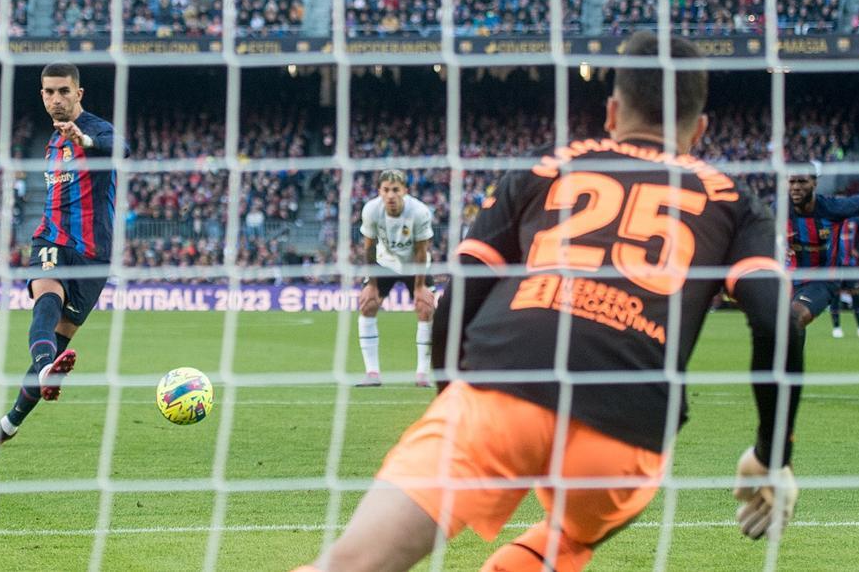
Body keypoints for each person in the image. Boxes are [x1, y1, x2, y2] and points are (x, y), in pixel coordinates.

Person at [298, 33, 804, 572]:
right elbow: (781, 324)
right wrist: (772, 458)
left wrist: (455, 400)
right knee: (572, 536)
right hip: (625, 424)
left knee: (349, 565)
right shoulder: (731, 200)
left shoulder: (546, 169)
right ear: (699, 130)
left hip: (498, 390)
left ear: (611, 113)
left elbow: (463, 289)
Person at [0, 62, 127, 447]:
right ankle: (44, 371)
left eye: (63, 91)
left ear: (78, 94)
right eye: (49, 92)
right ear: (42, 95)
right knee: (46, 297)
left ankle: (7, 427)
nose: (56, 99)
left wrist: (84, 140)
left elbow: (120, 148)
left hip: (93, 256)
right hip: (51, 240)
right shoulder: (52, 143)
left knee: (59, 339)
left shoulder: (96, 129)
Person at [356, 169, 436, 387]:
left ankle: (422, 373)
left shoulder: (419, 212)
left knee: (426, 309)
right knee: (368, 305)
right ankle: (372, 373)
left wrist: (420, 288)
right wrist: (371, 284)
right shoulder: (371, 210)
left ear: (405, 191)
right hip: (385, 263)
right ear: (379, 192)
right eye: (386, 190)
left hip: (415, 265)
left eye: (395, 190)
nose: (391, 195)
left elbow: (421, 250)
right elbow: (369, 248)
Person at [786, 162, 859, 335]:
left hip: (823, 279)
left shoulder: (833, 208)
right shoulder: (779, 209)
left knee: (794, 319)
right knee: (782, 326)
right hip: (791, 278)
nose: (795, 187)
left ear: (814, 183)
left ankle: (858, 327)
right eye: (792, 182)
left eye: (802, 182)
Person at [829, 215, 859, 338]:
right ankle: (836, 327)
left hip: (851, 264)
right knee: (835, 294)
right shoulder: (830, 217)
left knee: (856, 294)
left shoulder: (855, 219)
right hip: (836, 264)